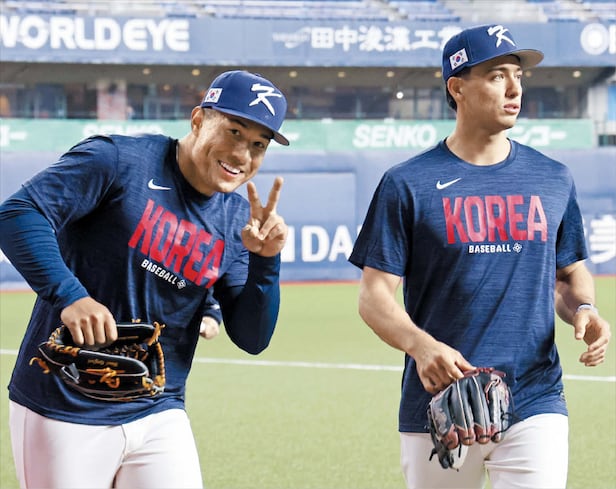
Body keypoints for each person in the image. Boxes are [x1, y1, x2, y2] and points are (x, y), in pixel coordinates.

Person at [349, 24, 611, 489]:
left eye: (518, 76)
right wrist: (421, 347)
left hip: (535, 397)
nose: (515, 89)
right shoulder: (407, 183)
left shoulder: (553, 178)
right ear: (457, 88)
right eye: (496, 76)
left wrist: (584, 309)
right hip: (439, 401)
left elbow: (569, 274)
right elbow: (373, 296)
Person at [0, 70, 290, 489]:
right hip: (64, 401)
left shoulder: (237, 221)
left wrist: (266, 261)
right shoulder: (118, 160)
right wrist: (69, 295)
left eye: (258, 144)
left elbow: (252, 337)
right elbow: (19, 214)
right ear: (198, 119)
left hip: (158, 407)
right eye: (233, 132)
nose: (242, 154)